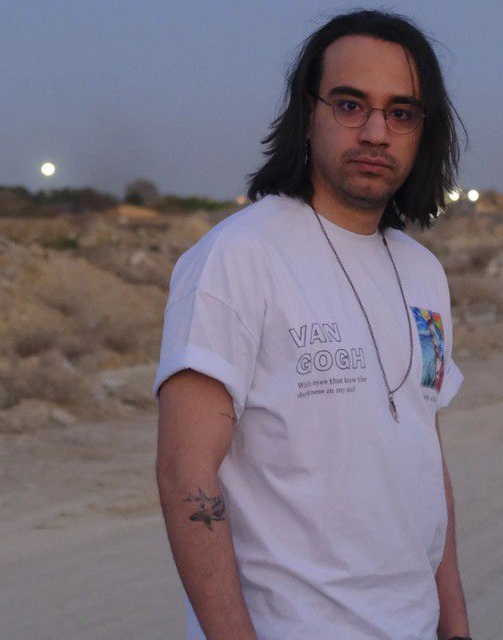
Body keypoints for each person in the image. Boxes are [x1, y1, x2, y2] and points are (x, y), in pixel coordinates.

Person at [154, 9, 471, 640]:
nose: (376, 132)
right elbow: (186, 474)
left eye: (401, 113)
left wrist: (455, 624)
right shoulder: (239, 257)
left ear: (423, 131)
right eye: (351, 105)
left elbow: (423, 457)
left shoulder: (423, 273)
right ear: (308, 114)